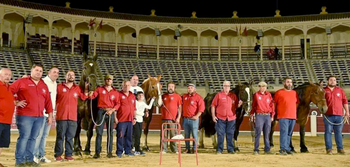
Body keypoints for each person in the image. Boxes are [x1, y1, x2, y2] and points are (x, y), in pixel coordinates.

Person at [11, 64, 53, 167]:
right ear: (31, 71)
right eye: (37, 70)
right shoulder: (22, 82)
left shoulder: (43, 85)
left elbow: (48, 101)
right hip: (25, 116)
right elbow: (9, 92)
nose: (38, 72)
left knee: (33, 138)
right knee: (24, 137)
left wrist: (50, 115)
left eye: (41, 71)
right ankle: (19, 161)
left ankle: (29, 159)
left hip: (39, 117)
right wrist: (16, 102)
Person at [54, 70, 88, 161]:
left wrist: (86, 89)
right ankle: (58, 155)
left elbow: (84, 97)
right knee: (60, 136)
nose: (71, 76)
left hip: (73, 117)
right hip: (61, 116)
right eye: (69, 75)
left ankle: (68, 154)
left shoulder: (77, 88)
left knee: (70, 137)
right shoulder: (58, 87)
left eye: (72, 75)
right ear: (66, 76)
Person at [90, 74, 120, 159]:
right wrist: (90, 93)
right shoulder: (99, 89)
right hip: (101, 111)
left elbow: (118, 104)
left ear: (112, 81)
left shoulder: (115, 92)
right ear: (105, 80)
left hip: (110, 112)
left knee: (110, 133)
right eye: (107, 79)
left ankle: (109, 152)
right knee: (99, 132)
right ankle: (97, 152)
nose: (108, 81)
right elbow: (92, 96)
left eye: (110, 79)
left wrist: (112, 110)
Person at [33, 66, 59, 163]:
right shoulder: (43, 82)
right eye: (54, 72)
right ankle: (34, 155)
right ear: (49, 73)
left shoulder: (55, 84)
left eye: (57, 73)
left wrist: (51, 114)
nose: (56, 74)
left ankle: (41, 155)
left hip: (49, 113)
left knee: (44, 136)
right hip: (41, 113)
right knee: (38, 135)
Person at [211, 81, 242, 154]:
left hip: (231, 118)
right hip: (220, 118)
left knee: (230, 134)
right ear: (223, 87)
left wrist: (239, 105)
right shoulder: (218, 95)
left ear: (230, 87)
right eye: (225, 86)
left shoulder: (233, 96)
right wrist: (213, 116)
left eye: (228, 86)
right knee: (220, 134)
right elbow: (213, 105)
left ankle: (230, 149)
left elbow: (236, 106)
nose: (226, 87)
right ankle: (219, 149)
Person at [323, 76, 349, 155]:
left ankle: (340, 149)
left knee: (338, 132)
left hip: (339, 114)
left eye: (334, 80)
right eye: (331, 80)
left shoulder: (340, 90)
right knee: (328, 132)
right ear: (328, 81)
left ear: (336, 82)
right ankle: (329, 149)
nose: (333, 81)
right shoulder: (323, 91)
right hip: (328, 115)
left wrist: (347, 112)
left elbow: (345, 101)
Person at [274, 77, 299, 155]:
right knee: (284, 132)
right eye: (288, 82)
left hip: (292, 116)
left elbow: (296, 103)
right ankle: (283, 148)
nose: (289, 84)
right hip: (283, 115)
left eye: (290, 82)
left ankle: (287, 148)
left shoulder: (294, 93)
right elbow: (274, 103)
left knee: (289, 133)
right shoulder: (279, 92)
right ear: (284, 83)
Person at [0, 68, 20, 167]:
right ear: (0, 75)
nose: (8, 77)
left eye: (9, 75)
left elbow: (10, 101)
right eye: (5, 74)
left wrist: (17, 102)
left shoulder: (9, 88)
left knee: (1, 144)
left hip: (6, 121)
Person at [250, 81, 275, 155]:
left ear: (266, 87)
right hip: (259, 115)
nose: (262, 88)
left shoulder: (269, 95)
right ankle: (256, 149)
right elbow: (254, 105)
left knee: (267, 133)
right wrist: (252, 114)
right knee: (258, 133)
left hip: (267, 115)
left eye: (264, 86)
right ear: (259, 87)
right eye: (261, 86)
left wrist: (272, 115)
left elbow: (272, 106)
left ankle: (267, 149)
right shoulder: (256, 95)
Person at [115, 80, 137, 158]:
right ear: (122, 86)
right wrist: (115, 118)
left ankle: (128, 151)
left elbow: (134, 108)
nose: (126, 87)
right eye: (125, 85)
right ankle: (119, 151)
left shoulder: (132, 96)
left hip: (130, 119)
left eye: (128, 85)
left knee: (129, 136)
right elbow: (116, 107)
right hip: (122, 119)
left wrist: (134, 118)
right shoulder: (118, 94)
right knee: (120, 136)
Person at [181, 83, 205, 154]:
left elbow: (201, 108)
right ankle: (187, 148)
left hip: (193, 119)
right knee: (186, 135)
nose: (190, 89)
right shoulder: (184, 96)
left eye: (191, 88)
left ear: (195, 89)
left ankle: (194, 148)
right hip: (185, 119)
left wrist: (197, 116)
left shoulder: (198, 97)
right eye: (188, 88)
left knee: (194, 134)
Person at [160, 82, 182, 154]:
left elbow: (179, 108)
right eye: (169, 86)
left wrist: (178, 118)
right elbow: (159, 104)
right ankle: (164, 149)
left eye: (172, 86)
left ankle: (174, 149)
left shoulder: (177, 96)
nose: (170, 88)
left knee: (173, 134)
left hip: (173, 119)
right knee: (164, 135)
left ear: (174, 88)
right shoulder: (163, 96)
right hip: (164, 118)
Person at [134, 91, 155, 156]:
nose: (141, 97)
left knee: (139, 135)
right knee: (136, 135)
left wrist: (152, 100)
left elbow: (149, 107)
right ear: (137, 96)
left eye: (142, 95)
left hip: (140, 120)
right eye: (139, 95)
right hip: (136, 120)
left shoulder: (143, 103)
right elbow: (135, 111)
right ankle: (135, 148)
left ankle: (137, 148)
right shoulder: (135, 103)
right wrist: (143, 113)